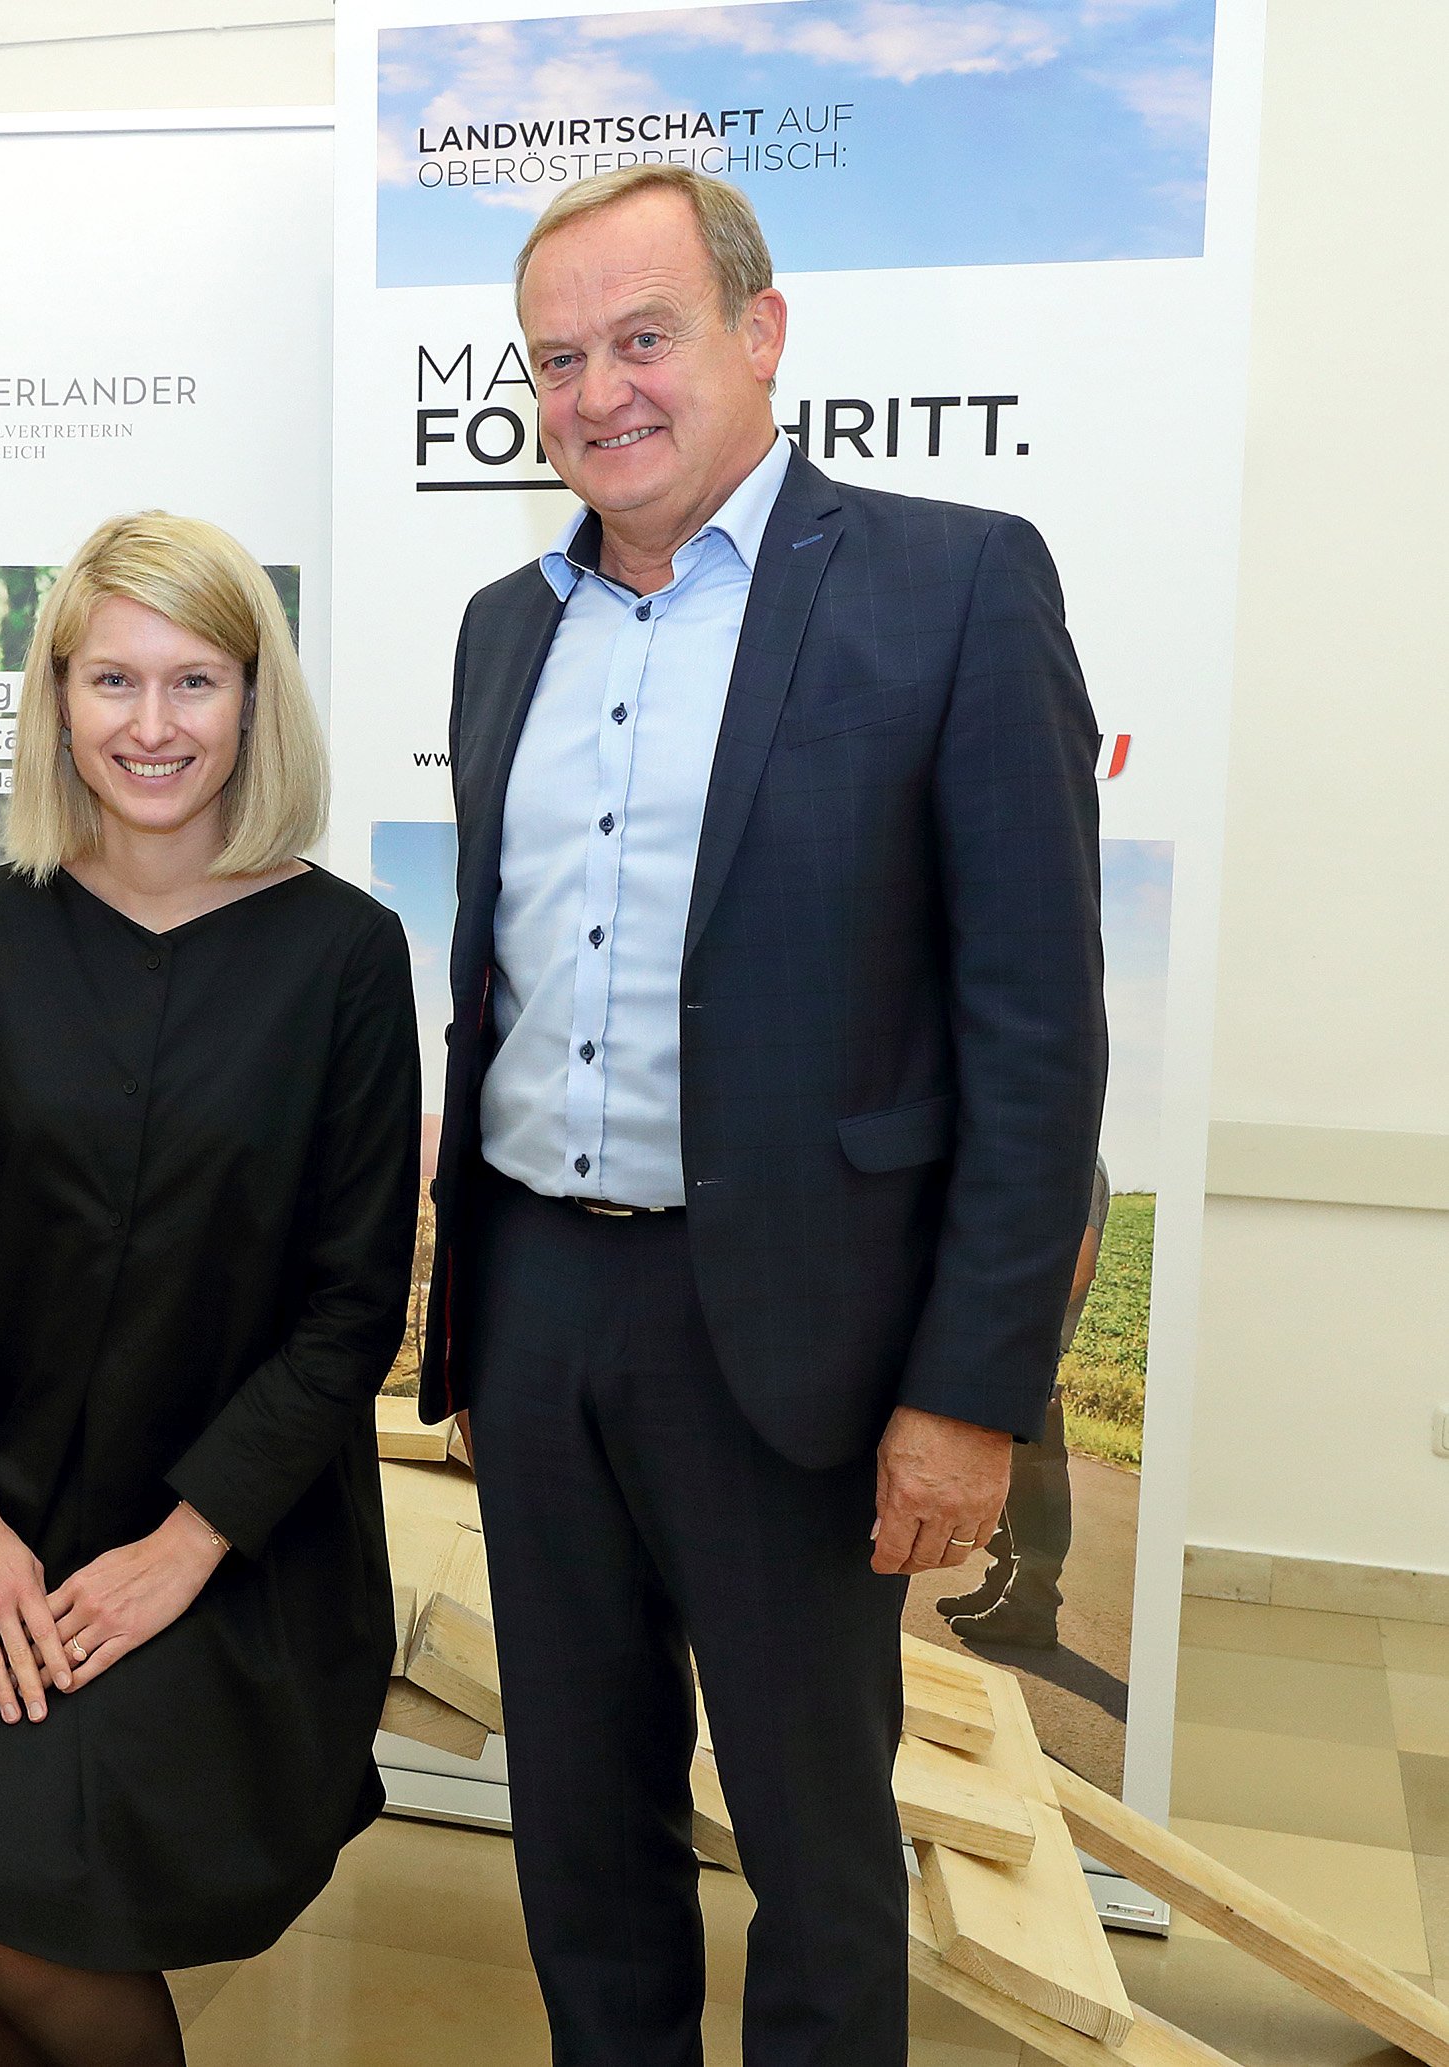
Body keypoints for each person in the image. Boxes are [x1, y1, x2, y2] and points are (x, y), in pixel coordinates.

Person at [421, 165, 1106, 2064]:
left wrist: (969, 1394)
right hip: (540, 1308)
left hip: (798, 1331)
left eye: (643, 338)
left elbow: (1036, 1037)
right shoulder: (501, 627)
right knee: (581, 1822)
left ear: (761, 331)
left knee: (815, 1843)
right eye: (559, 358)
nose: (599, 392)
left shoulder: (953, 587)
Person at [0, 512, 420, 2066]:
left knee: (28, 1922)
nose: (152, 724)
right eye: (113, 679)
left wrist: (184, 1549)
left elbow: (350, 1310)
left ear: (254, 700)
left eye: (195, 680)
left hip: (234, 1533)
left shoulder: (346, 953)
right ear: (58, 698)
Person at [943, 1159, 1116, 1650]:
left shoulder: (1082, 1161)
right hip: (1020, 1343)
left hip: (1031, 1346)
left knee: (1037, 1481)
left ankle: (1032, 1608)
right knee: (1013, 1475)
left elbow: (1078, 1266)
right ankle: (1005, 1583)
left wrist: (1020, 1336)